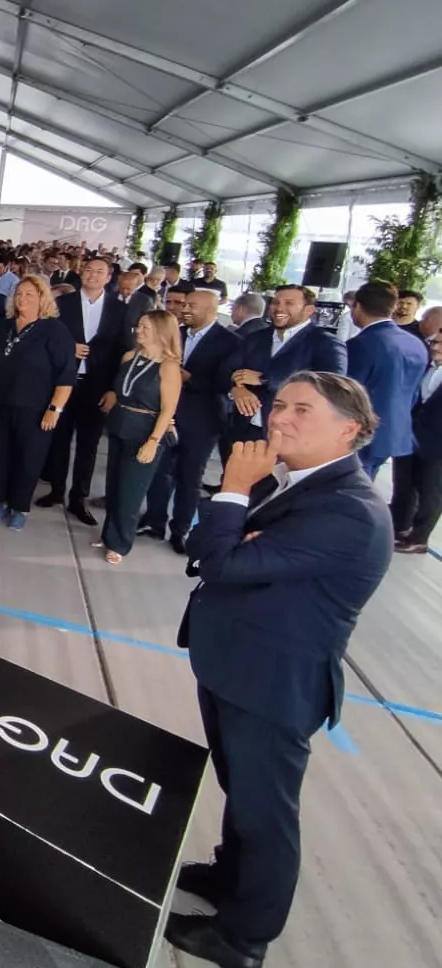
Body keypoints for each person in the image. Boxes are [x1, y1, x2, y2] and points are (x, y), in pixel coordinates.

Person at [168, 373, 391, 968]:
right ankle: (230, 876)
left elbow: (218, 559)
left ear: (350, 431)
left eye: (301, 411)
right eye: (279, 405)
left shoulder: (350, 511)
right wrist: (238, 520)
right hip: (236, 665)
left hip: (272, 683)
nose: (280, 418)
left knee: (266, 813)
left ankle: (244, 936)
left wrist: (235, 492)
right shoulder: (293, 480)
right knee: (240, 793)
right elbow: (210, 549)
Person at [141, 285, 240, 553]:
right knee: (160, 471)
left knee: (189, 477)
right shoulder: (178, 334)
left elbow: (226, 381)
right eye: (184, 305)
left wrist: (191, 378)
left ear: (211, 310)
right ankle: (154, 520)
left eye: (191, 306)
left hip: (202, 420)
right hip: (168, 414)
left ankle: (181, 530)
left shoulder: (230, 342)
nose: (184, 309)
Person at [0, 275, 76, 531]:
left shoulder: (55, 330)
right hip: (1, 405)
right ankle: (0, 500)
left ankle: (20, 506)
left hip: (35, 409)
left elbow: (66, 374)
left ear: (42, 299)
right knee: (0, 454)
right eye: (19, 294)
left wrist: (55, 409)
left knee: (28, 458)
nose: (22, 299)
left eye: (29, 295)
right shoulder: (5, 326)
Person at [38, 256, 125, 524]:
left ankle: (78, 498)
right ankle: (56, 490)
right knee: (59, 440)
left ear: (109, 277)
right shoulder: (62, 304)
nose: (93, 275)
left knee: (88, 445)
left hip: (97, 386)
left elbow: (124, 351)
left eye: (100, 271)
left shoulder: (119, 309)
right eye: (88, 270)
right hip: (64, 383)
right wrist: (69, 349)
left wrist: (114, 390)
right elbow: (47, 339)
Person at [96, 310, 181, 563]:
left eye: (145, 327)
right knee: (114, 485)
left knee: (131, 491)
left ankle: (120, 544)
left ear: (160, 331)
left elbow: (168, 409)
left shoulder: (168, 366)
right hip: (120, 424)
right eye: (138, 326)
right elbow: (121, 389)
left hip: (145, 429)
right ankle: (109, 534)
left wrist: (153, 441)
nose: (138, 330)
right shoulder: (129, 356)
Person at [227, 284, 347, 453]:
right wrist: (235, 389)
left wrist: (265, 379)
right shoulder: (255, 338)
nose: (279, 308)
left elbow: (332, 387)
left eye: (289, 303)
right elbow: (226, 370)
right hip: (245, 431)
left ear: (309, 310)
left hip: (291, 435)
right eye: (275, 302)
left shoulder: (326, 343)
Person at [346, 280, 428, 480]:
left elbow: (347, 394)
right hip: (396, 431)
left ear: (357, 306)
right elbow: (416, 392)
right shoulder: (416, 343)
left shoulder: (361, 344)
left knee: (351, 488)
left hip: (361, 433)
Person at [393, 335, 442, 553]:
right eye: (434, 343)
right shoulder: (424, 365)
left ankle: (419, 538)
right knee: (404, 483)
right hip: (410, 434)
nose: (436, 347)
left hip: (437, 443)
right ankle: (399, 525)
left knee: (431, 491)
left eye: (441, 344)